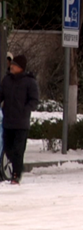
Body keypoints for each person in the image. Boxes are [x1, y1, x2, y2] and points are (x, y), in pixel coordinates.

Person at [0, 54, 39, 184]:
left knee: (18, 150)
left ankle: (16, 175)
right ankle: (17, 167)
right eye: (12, 65)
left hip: (21, 123)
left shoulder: (29, 82)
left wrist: (25, 109)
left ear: (20, 67)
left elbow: (34, 100)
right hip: (8, 122)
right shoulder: (6, 80)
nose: (12, 67)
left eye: (15, 65)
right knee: (8, 148)